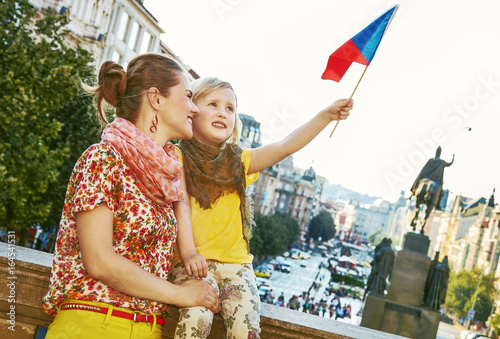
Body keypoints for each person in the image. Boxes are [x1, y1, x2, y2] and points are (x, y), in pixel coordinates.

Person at [42, 54, 220, 339]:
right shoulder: (102, 158)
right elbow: (100, 261)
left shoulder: (168, 174)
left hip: (148, 329)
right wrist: (180, 294)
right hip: (91, 325)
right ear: (156, 99)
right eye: (187, 96)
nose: (194, 108)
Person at [168, 76, 353, 338]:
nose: (223, 113)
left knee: (247, 328)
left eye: (230, 108)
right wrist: (188, 254)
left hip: (237, 267)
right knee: (195, 319)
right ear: (192, 111)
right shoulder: (174, 156)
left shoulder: (239, 161)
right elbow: (181, 208)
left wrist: (325, 115)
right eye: (213, 104)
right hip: (190, 265)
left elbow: (284, 146)